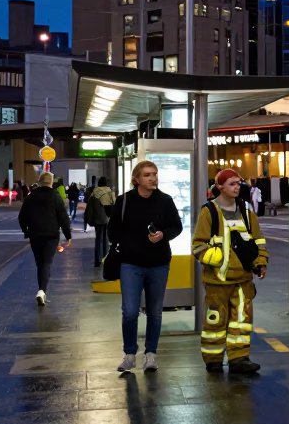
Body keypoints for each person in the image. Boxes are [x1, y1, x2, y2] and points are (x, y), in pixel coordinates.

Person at [108, 160, 183, 373]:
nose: (153, 178)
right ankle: (129, 354)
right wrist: (126, 244)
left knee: (155, 312)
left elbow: (177, 226)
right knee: (130, 311)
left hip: (158, 264)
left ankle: (151, 354)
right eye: (148, 175)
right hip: (131, 264)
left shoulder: (165, 201)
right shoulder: (124, 201)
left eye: (155, 174)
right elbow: (112, 229)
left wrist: (163, 235)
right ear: (136, 179)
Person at [192, 168, 268, 374]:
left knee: (242, 321)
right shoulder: (209, 212)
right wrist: (221, 261)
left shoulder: (246, 209)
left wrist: (261, 262)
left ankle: (239, 358)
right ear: (220, 187)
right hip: (217, 281)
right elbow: (198, 246)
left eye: (238, 183)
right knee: (216, 320)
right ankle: (213, 359)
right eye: (232, 183)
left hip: (243, 279)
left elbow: (258, 239)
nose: (237, 187)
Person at [17, 171, 71, 306]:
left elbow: (22, 217)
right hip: (51, 235)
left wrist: (26, 231)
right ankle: (42, 291)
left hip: (35, 234)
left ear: (40, 181)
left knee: (40, 263)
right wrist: (68, 235)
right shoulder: (55, 196)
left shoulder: (30, 197)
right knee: (47, 263)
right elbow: (63, 217)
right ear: (51, 182)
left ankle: (41, 290)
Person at [85, 176, 116, 268]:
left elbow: (89, 208)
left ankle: (97, 260)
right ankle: (105, 259)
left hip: (97, 220)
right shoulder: (110, 192)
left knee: (98, 240)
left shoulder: (94, 193)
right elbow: (114, 206)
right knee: (106, 239)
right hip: (107, 219)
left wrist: (89, 219)